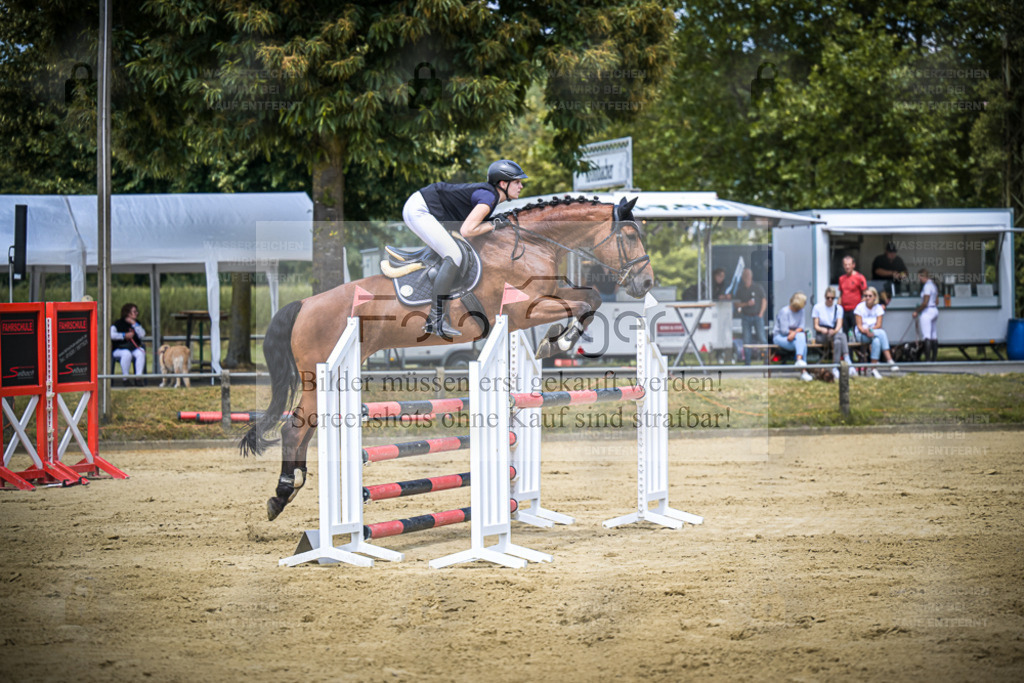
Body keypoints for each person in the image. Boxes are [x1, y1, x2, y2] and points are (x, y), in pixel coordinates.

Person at [403, 159, 527, 339]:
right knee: (455, 255)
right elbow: (467, 230)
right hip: (420, 210)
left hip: (424, 207)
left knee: (456, 252)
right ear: (503, 183)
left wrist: (492, 223)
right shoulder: (489, 197)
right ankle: (435, 320)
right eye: (517, 182)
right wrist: (494, 225)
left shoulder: (490, 196)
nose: (521, 186)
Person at [853, 287, 899, 378]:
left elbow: (878, 325)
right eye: (866, 296)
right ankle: (890, 360)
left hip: (873, 332)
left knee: (877, 341)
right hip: (861, 334)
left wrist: (871, 330)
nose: (868, 298)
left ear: (875, 297)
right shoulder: (859, 307)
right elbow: (859, 326)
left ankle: (873, 369)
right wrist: (867, 331)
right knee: (881, 333)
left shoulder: (878, 308)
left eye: (870, 296)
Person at [812, 286, 856, 379]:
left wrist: (834, 331)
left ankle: (836, 367)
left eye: (832, 298)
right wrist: (822, 329)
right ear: (825, 297)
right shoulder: (818, 307)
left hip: (833, 332)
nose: (830, 300)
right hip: (822, 333)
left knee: (838, 340)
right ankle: (847, 361)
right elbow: (816, 325)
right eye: (828, 298)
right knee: (842, 336)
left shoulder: (838, 308)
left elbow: (839, 324)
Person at [773, 292, 813, 382]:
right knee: (802, 343)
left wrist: (794, 333)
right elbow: (783, 330)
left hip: (794, 337)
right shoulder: (784, 312)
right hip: (780, 337)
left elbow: (801, 327)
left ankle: (799, 361)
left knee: (801, 338)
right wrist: (795, 333)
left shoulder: (801, 311)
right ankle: (804, 372)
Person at [734, 268, 767, 364]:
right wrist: (746, 304)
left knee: (762, 338)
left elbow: (764, 300)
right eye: (745, 275)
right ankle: (747, 362)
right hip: (746, 317)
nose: (746, 277)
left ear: (751, 276)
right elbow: (736, 304)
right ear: (743, 277)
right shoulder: (740, 290)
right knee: (746, 339)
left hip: (757, 316)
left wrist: (761, 313)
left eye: (748, 275)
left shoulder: (758, 287)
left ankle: (766, 360)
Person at [111, 302, 146, 386]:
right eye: (134, 311)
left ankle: (138, 378)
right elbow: (112, 335)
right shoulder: (118, 323)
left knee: (141, 352)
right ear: (127, 313)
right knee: (127, 354)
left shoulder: (136, 323)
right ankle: (125, 378)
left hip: (133, 348)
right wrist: (124, 335)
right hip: (119, 349)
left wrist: (135, 324)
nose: (136, 313)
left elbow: (142, 334)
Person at [912, 268, 939, 362]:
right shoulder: (933, 285)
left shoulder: (927, 286)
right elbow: (937, 301)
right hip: (934, 309)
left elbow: (925, 302)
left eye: (920, 277)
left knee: (926, 336)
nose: (919, 280)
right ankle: (934, 358)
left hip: (927, 311)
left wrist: (917, 311)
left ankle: (927, 359)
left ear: (923, 276)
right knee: (934, 335)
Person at [838, 255, 867, 340]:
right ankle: (847, 353)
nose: (847, 267)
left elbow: (865, 295)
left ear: (853, 265)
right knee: (845, 334)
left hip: (855, 311)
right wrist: (838, 306)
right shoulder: (841, 279)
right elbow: (841, 294)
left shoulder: (860, 277)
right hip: (844, 310)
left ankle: (859, 352)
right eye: (845, 264)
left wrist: (860, 308)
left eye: (849, 264)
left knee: (856, 333)